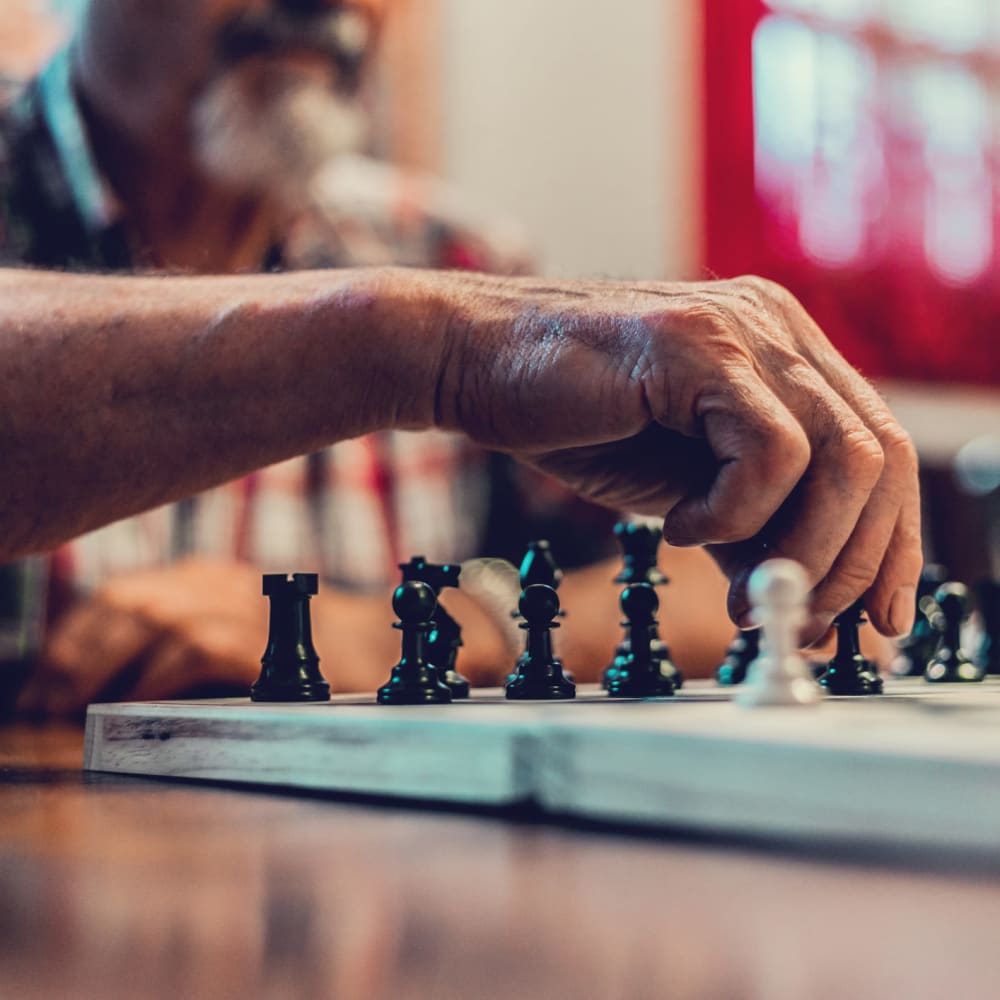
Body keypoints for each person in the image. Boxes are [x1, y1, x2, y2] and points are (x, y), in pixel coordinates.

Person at [0, 1, 919, 711]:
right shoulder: (450, 304)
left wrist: (452, 629)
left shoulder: (457, 256)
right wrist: (410, 342)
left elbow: (740, 589)